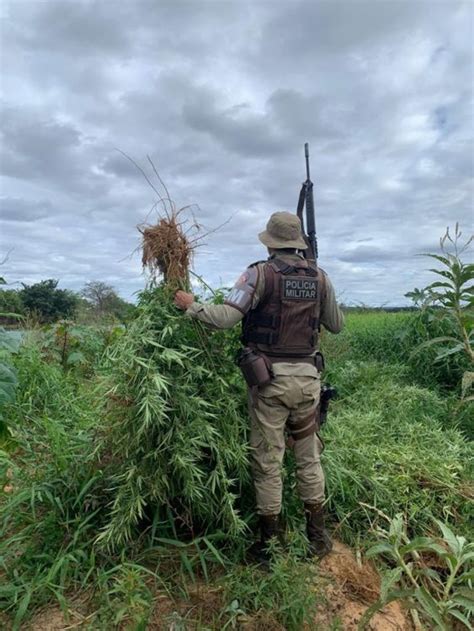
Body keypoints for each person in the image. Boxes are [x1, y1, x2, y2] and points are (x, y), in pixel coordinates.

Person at [174, 211, 344, 563]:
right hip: (309, 382)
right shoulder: (321, 278)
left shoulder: (258, 274)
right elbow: (336, 325)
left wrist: (192, 307)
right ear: (298, 244)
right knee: (309, 459)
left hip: (271, 383)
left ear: (270, 242)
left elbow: (224, 318)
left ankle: (269, 547)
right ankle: (317, 538)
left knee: (268, 462)